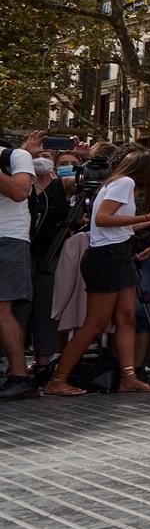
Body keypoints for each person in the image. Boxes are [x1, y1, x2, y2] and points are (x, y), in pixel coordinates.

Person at [44, 148, 150, 396]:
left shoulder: (116, 183)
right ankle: (58, 379)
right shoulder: (125, 183)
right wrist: (147, 216)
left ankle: (128, 376)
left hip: (117, 254)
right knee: (95, 324)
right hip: (107, 258)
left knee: (127, 318)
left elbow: (113, 228)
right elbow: (104, 219)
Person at [0, 130, 38, 396]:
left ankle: (19, 377)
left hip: (8, 240)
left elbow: (18, 191)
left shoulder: (18, 156)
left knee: (2, 310)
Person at [27, 149, 72, 371]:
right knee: (19, 308)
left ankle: (42, 362)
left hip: (52, 254)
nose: (42, 157)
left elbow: (92, 180)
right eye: (38, 153)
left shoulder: (62, 186)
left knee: (46, 308)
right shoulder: (20, 183)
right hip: (22, 252)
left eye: (47, 154)